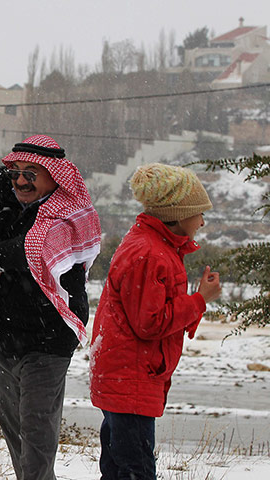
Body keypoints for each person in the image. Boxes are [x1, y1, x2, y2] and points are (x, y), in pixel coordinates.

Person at [0, 135, 102, 480]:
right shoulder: (2, 187)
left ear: (54, 175)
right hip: (3, 331)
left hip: (49, 335)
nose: (21, 181)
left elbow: (34, 249)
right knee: (11, 423)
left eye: (32, 173)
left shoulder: (69, 206)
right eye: (16, 170)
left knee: (36, 430)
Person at [89, 163, 222, 480]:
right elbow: (149, 323)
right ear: (176, 215)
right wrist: (199, 299)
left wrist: (194, 302)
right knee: (136, 469)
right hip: (131, 378)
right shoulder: (150, 253)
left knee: (119, 466)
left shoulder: (153, 246)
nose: (202, 221)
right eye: (198, 213)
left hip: (128, 376)